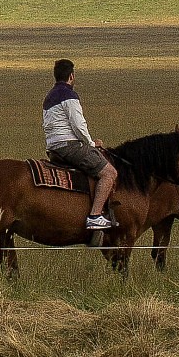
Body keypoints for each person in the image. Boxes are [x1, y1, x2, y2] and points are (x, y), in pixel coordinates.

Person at [42, 58, 118, 233]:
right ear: (71, 76)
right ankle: (95, 216)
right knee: (109, 173)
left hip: (53, 146)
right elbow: (78, 125)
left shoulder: (49, 96)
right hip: (69, 146)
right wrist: (91, 144)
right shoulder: (69, 95)